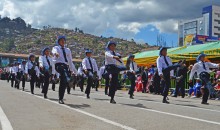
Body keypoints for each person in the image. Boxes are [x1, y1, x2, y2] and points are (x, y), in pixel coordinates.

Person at [52, 35, 77, 104]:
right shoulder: (56, 47)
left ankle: (61, 98)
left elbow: (70, 61)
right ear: (59, 42)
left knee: (63, 83)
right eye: (61, 40)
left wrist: (71, 70)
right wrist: (55, 53)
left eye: (64, 40)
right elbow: (54, 51)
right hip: (58, 65)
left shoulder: (68, 50)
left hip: (65, 66)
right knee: (63, 71)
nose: (63, 42)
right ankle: (69, 80)